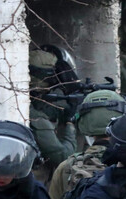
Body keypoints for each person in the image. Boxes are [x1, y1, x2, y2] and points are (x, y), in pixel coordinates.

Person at [28, 45, 78, 184]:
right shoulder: (35, 117)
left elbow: (47, 109)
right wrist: (69, 122)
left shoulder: (28, 103)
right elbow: (64, 156)